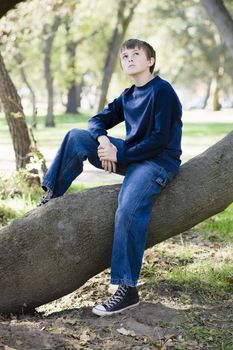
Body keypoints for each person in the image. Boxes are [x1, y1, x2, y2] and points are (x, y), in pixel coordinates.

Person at [38, 38, 182, 317]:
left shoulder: (162, 90)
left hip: (157, 161)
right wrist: (105, 142)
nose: (129, 59)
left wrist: (120, 156)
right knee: (77, 137)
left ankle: (127, 289)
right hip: (130, 154)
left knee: (127, 209)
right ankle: (51, 195)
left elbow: (158, 140)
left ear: (150, 60)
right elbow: (95, 121)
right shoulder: (127, 96)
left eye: (136, 54)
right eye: (125, 55)